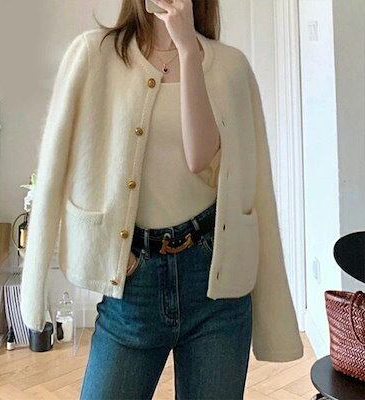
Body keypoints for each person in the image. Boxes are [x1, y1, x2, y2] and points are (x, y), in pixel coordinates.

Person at [20, 0, 304, 399]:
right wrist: (33, 291)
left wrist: (187, 49)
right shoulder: (93, 55)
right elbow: (51, 171)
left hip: (215, 284)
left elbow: (208, 163)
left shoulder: (230, 67)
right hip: (133, 283)